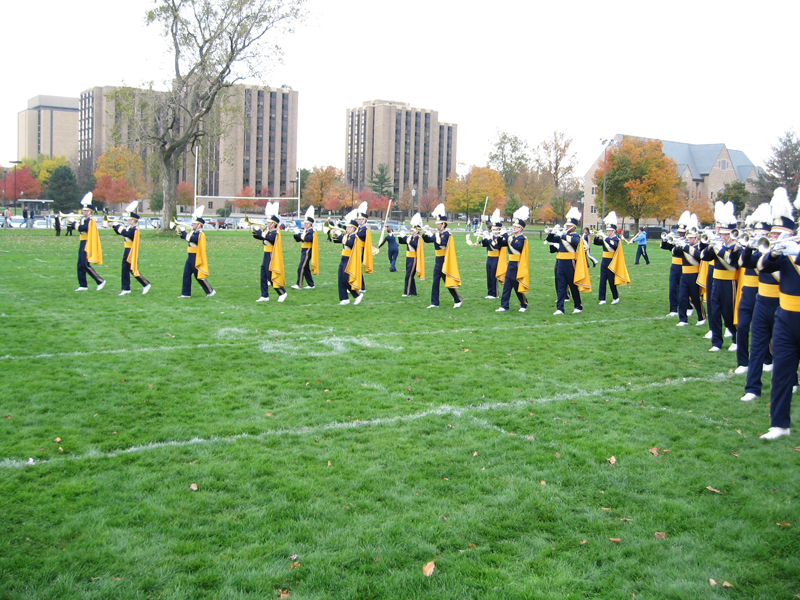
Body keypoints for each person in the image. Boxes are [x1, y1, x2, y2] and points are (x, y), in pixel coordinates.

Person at [754, 196, 800, 440]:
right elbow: (762, 267)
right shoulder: (790, 243)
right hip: (785, 316)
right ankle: (780, 424)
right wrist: (774, 253)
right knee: (781, 371)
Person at [740, 193, 790, 401]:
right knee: (758, 344)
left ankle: (792, 379)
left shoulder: (792, 255)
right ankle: (752, 388)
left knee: (783, 348)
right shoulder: (767, 252)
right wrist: (751, 246)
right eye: (773, 233)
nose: (774, 237)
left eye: (779, 234)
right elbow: (745, 263)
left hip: (782, 304)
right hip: (762, 301)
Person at [700, 202, 739, 352]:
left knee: (728, 313)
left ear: (732, 234)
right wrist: (710, 247)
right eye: (721, 233)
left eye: (725, 234)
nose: (722, 236)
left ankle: (735, 338)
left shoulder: (736, 247)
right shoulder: (718, 244)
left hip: (730, 283)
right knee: (714, 311)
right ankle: (716, 342)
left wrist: (720, 249)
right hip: (716, 281)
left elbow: (732, 262)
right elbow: (704, 257)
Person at [422, 203, 462, 309]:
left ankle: (458, 299)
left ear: (443, 224)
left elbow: (442, 243)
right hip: (438, 259)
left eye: (438, 224)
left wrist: (432, 235)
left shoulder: (447, 234)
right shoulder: (437, 233)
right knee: (435, 281)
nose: (437, 225)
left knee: (448, 281)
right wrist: (425, 233)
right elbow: (428, 240)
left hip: (445, 259)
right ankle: (434, 302)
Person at [552, 206, 589, 315]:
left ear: (573, 227)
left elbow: (575, 241)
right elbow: (550, 239)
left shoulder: (575, 235)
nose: (566, 226)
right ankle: (560, 308)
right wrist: (553, 232)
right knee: (561, 286)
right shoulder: (563, 235)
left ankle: (578, 306)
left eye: (568, 225)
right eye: (566, 225)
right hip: (561, 263)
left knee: (573, 285)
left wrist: (562, 235)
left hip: (570, 263)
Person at [495, 207, 530, 313]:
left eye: (516, 227)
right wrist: (500, 237)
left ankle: (524, 304)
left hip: (518, 264)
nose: (513, 228)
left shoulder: (522, 238)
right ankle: (504, 305)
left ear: (520, 229)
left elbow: (517, 246)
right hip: (510, 264)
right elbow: (500, 244)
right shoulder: (511, 238)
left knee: (516, 284)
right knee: (507, 285)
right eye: (514, 226)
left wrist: (506, 236)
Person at [111, 202, 151, 296]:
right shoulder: (130, 228)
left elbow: (127, 234)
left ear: (134, 220)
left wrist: (118, 227)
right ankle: (126, 288)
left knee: (132, 269)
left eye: (130, 220)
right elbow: (121, 233)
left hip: (131, 250)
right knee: (125, 269)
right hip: (127, 249)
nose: (128, 221)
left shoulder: (134, 229)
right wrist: (114, 226)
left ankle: (145, 284)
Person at [674, 215, 706, 327]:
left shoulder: (699, 247)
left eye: (692, 237)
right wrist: (677, 246)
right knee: (682, 297)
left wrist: (685, 247)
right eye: (689, 237)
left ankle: (701, 317)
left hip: (695, 274)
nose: (689, 239)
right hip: (684, 274)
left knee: (696, 298)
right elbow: (675, 253)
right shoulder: (685, 245)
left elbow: (699, 256)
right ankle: (683, 319)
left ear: (696, 238)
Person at [253, 201, 287, 303]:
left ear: (274, 223)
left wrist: (260, 232)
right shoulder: (268, 231)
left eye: (269, 222)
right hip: (266, 253)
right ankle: (264, 295)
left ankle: (282, 292)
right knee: (263, 274)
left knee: (270, 275)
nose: (267, 223)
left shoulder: (275, 232)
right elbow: (261, 237)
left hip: (272, 254)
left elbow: (270, 238)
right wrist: (255, 232)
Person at [178, 207, 215, 298]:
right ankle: (185, 294)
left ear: (199, 225)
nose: (192, 225)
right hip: (190, 256)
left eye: (194, 223)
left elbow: (192, 239)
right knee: (186, 274)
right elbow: (188, 239)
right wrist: (181, 233)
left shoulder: (200, 234)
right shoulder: (194, 232)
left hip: (195, 256)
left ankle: (210, 291)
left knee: (198, 276)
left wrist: (183, 232)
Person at [594, 211, 630, 305]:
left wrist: (605, 237)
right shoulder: (607, 238)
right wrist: (597, 237)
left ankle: (615, 297)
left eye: (609, 231)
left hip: (611, 261)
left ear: (613, 231)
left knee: (611, 280)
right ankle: (602, 298)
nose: (608, 232)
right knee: (602, 280)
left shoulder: (615, 239)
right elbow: (596, 243)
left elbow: (613, 245)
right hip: (604, 260)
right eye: (607, 230)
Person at [75, 193, 105, 292]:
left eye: (85, 210)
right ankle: (83, 285)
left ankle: (100, 281)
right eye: (83, 210)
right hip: (82, 241)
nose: (83, 212)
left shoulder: (90, 220)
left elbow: (84, 228)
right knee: (80, 264)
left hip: (87, 243)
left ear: (90, 211)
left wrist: (75, 225)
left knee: (85, 264)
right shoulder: (85, 220)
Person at [335, 208, 364, 305]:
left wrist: (340, 236)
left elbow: (350, 243)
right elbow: (338, 241)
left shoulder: (354, 237)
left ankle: (358, 295)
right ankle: (344, 298)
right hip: (343, 258)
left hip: (349, 260)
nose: (346, 228)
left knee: (346, 279)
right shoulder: (347, 236)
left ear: (353, 228)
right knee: (340, 278)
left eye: (348, 227)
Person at [479, 209, 506, 300]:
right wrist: (483, 238)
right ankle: (490, 292)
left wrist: (489, 239)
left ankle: (495, 293)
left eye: (495, 229)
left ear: (499, 230)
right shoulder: (491, 236)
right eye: (493, 229)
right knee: (489, 274)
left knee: (494, 275)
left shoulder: (500, 238)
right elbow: (484, 244)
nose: (493, 230)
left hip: (496, 257)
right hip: (489, 257)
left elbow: (495, 246)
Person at [397, 214, 425, 297]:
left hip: (413, 258)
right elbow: (402, 241)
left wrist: (406, 238)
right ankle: (413, 292)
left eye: (413, 230)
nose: (411, 231)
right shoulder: (411, 237)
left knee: (408, 275)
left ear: (416, 231)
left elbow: (413, 244)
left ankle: (407, 292)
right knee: (410, 275)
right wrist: (400, 236)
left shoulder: (417, 237)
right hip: (408, 257)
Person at [291, 207, 319, 290]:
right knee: (306, 268)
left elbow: (307, 239)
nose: (304, 224)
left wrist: (299, 235)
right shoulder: (306, 231)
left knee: (301, 267)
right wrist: (296, 234)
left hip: (308, 250)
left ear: (310, 224)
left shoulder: (311, 231)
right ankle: (311, 284)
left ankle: (299, 284)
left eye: (306, 223)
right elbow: (299, 239)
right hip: (304, 250)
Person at [354, 202, 373, 292]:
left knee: (358, 267)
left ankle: (361, 286)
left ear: (364, 220)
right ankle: (361, 286)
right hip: (357, 248)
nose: (359, 221)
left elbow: (360, 236)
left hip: (361, 249)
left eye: (360, 219)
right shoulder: (360, 228)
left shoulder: (364, 229)